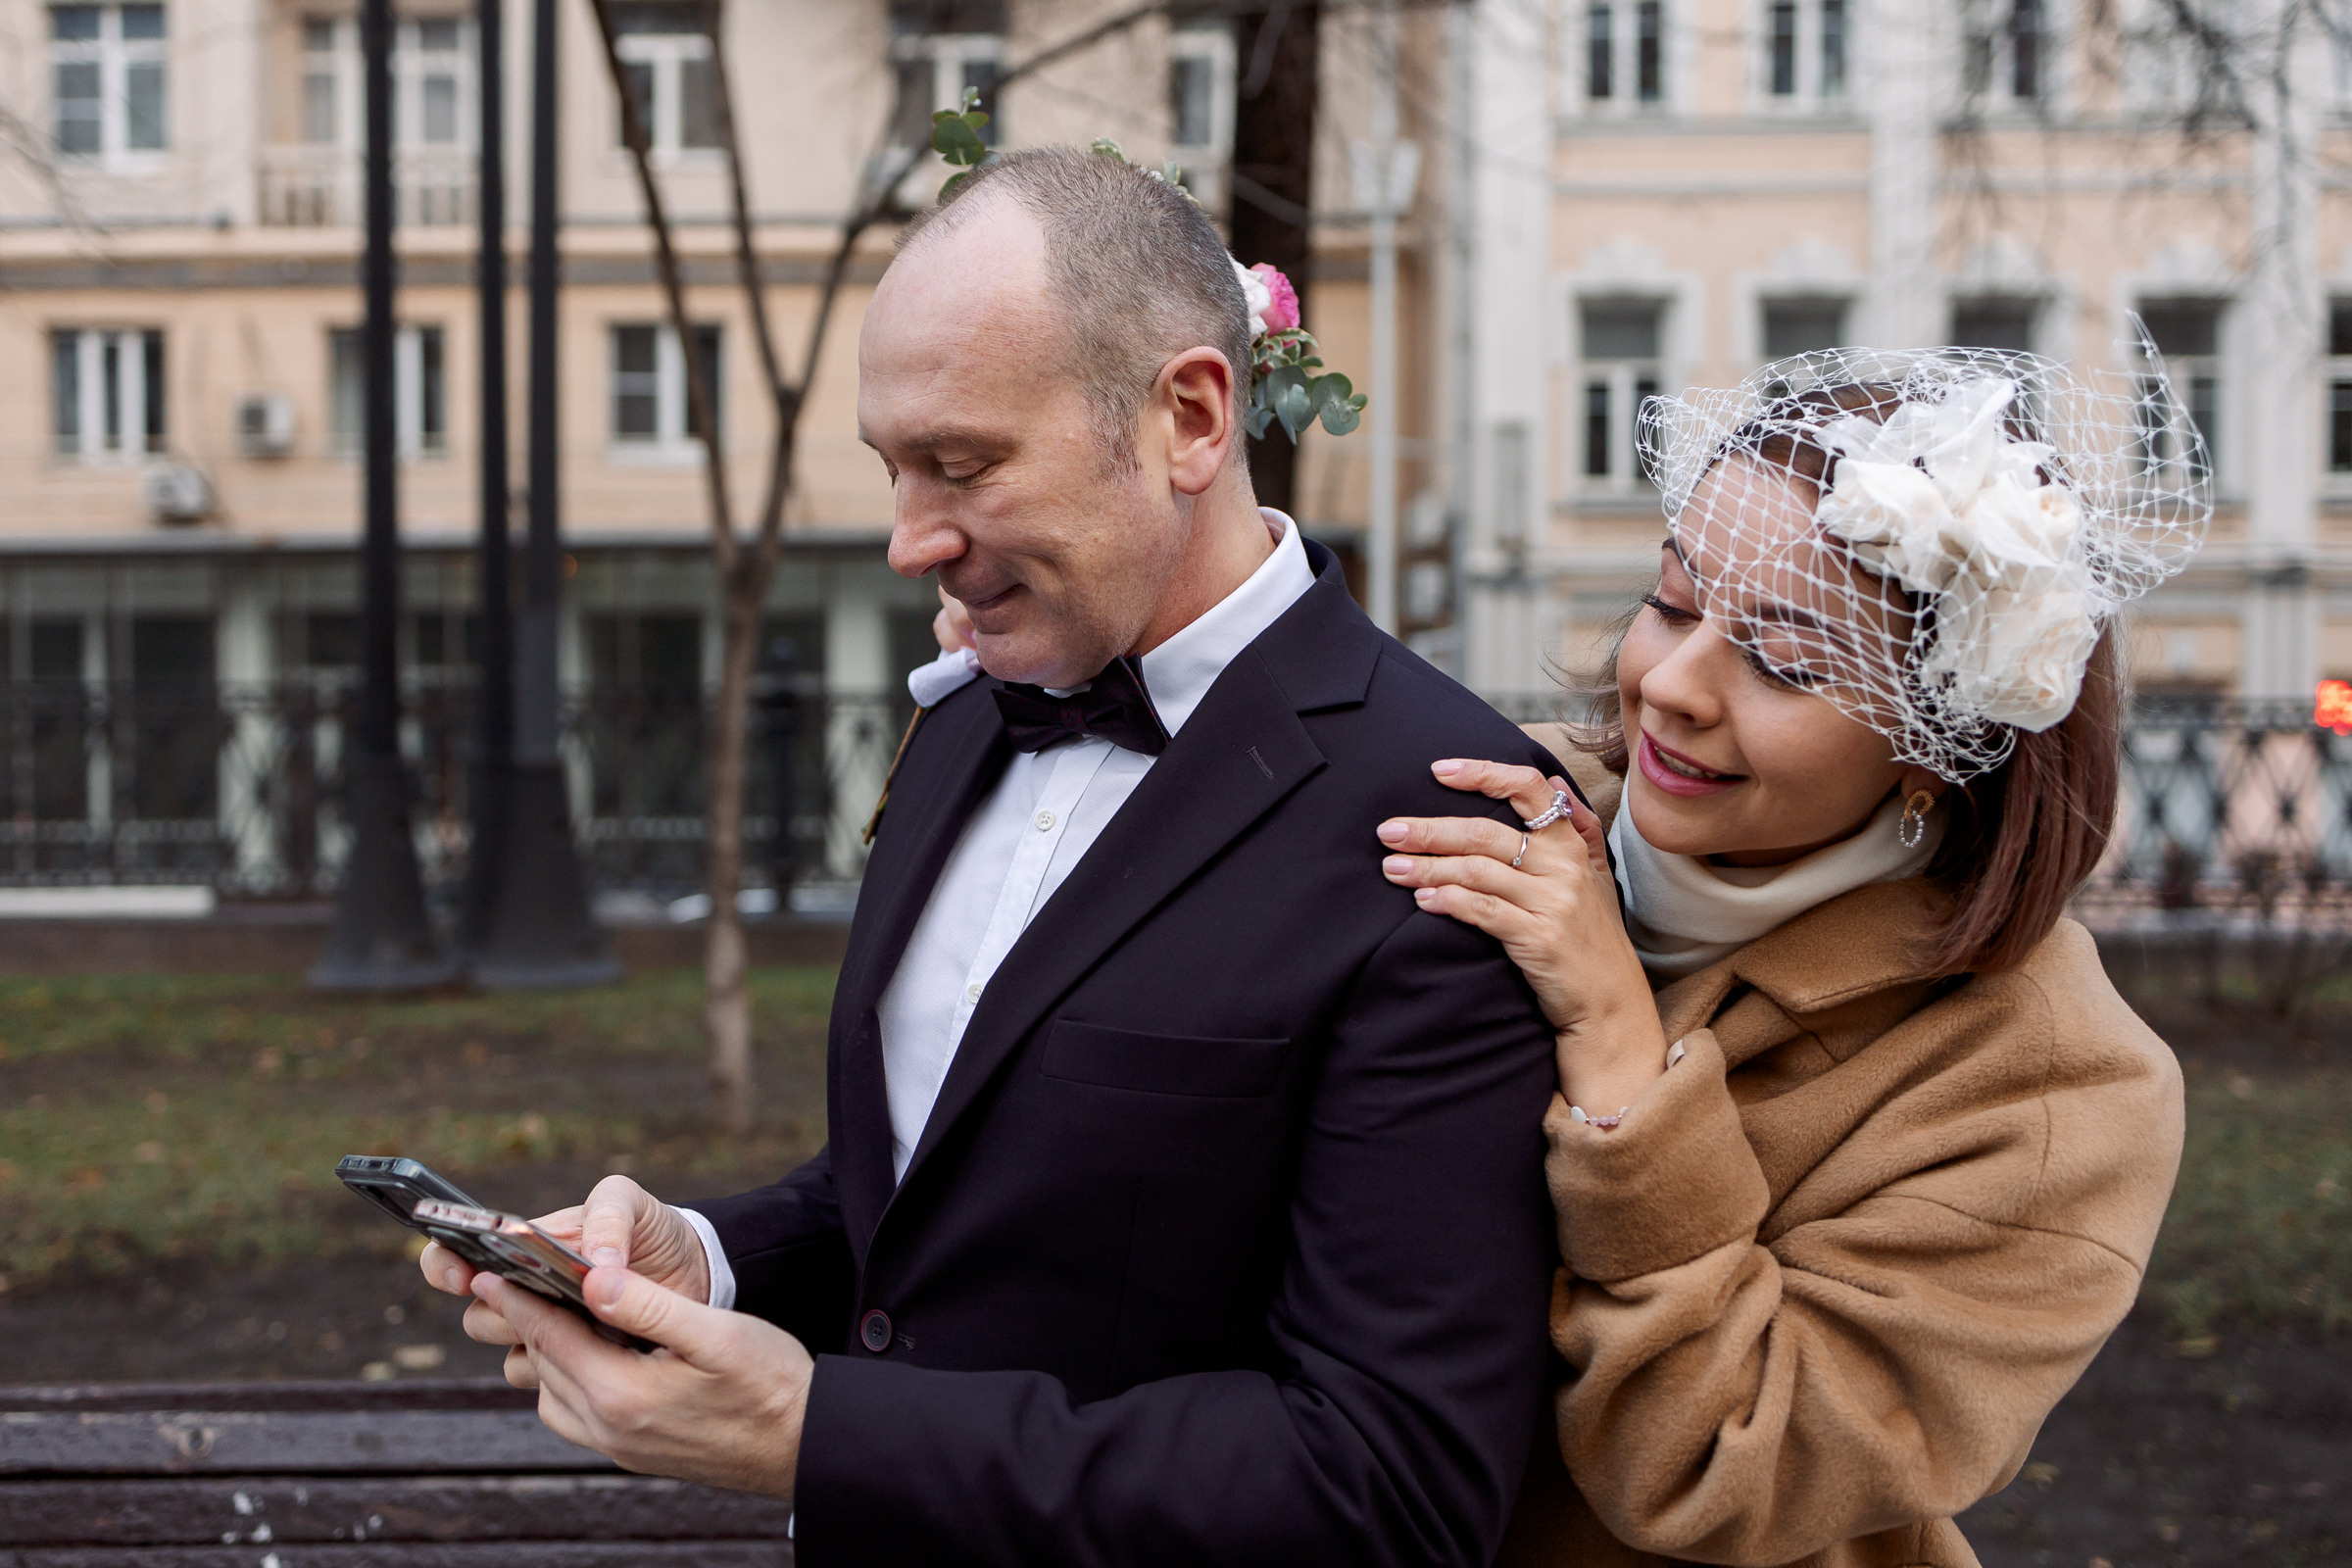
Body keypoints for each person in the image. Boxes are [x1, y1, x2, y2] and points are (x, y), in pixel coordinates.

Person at [422, 146, 1570, 1565]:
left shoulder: (1450, 816)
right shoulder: (970, 711)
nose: (910, 543)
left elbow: (1390, 1486)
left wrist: (820, 1434)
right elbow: (951, 1189)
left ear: (1190, 417)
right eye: (893, 470)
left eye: (962, 466)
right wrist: (708, 1260)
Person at [1376, 354, 2202, 1567]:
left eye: (1785, 663)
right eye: (1673, 602)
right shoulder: (1492, 808)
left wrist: (1620, 1046)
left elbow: (1720, 1468)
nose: (1672, 685)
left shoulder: (2059, 1088)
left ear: (1937, 744)